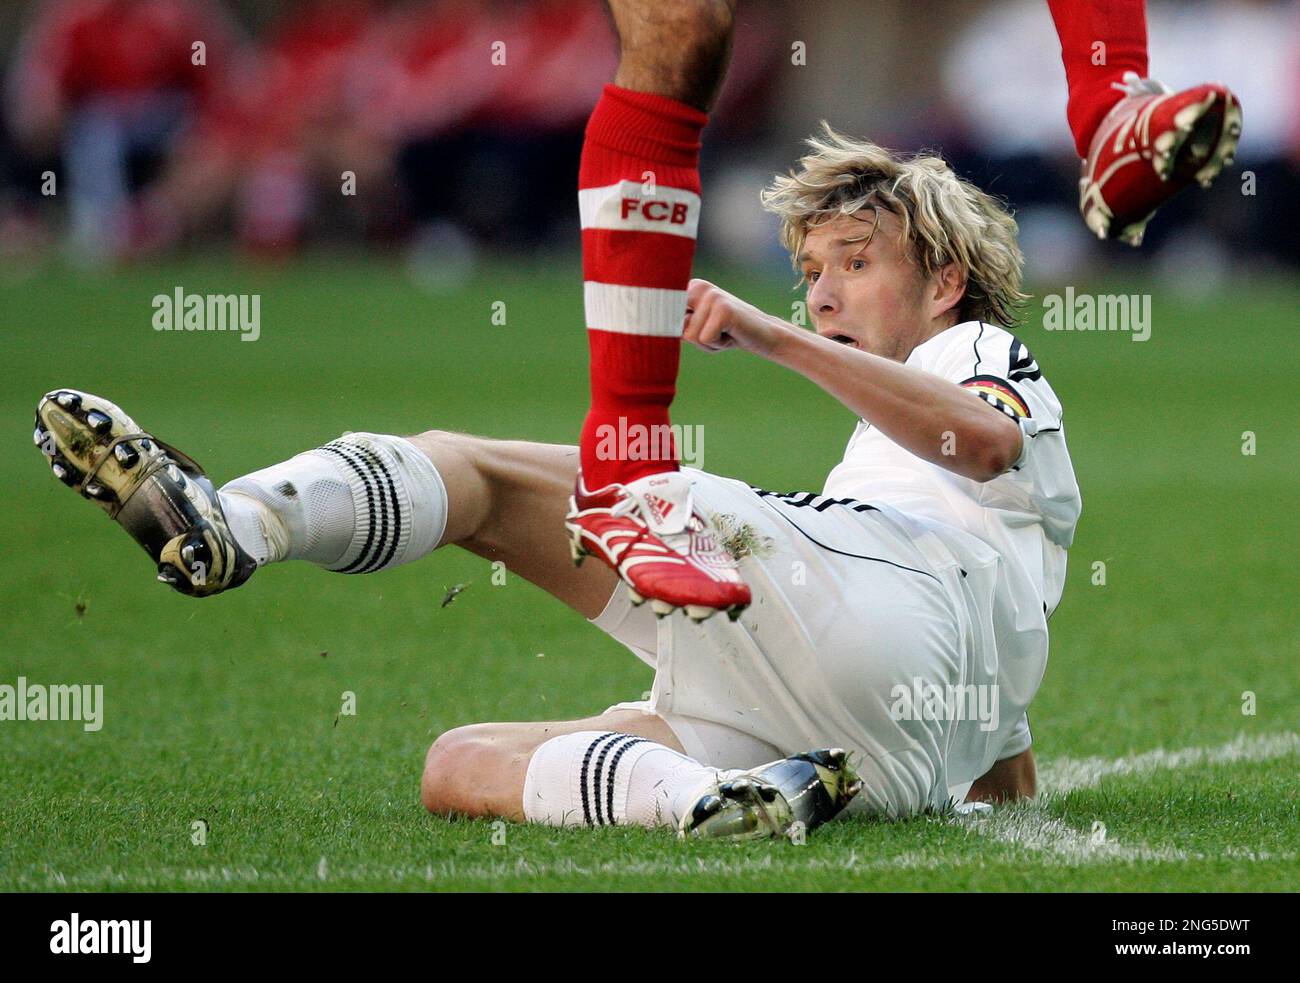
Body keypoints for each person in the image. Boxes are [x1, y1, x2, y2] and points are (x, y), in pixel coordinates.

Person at [33, 126, 1078, 839]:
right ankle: (717, 800)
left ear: (944, 282)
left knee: (478, 473)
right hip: (876, 753)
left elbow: (979, 442)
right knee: (460, 764)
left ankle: (241, 522)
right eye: (807, 274)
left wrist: (769, 336)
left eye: (854, 260)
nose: (820, 293)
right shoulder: (928, 487)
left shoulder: (975, 350)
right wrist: (1007, 797)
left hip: (852, 611)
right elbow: (989, 690)